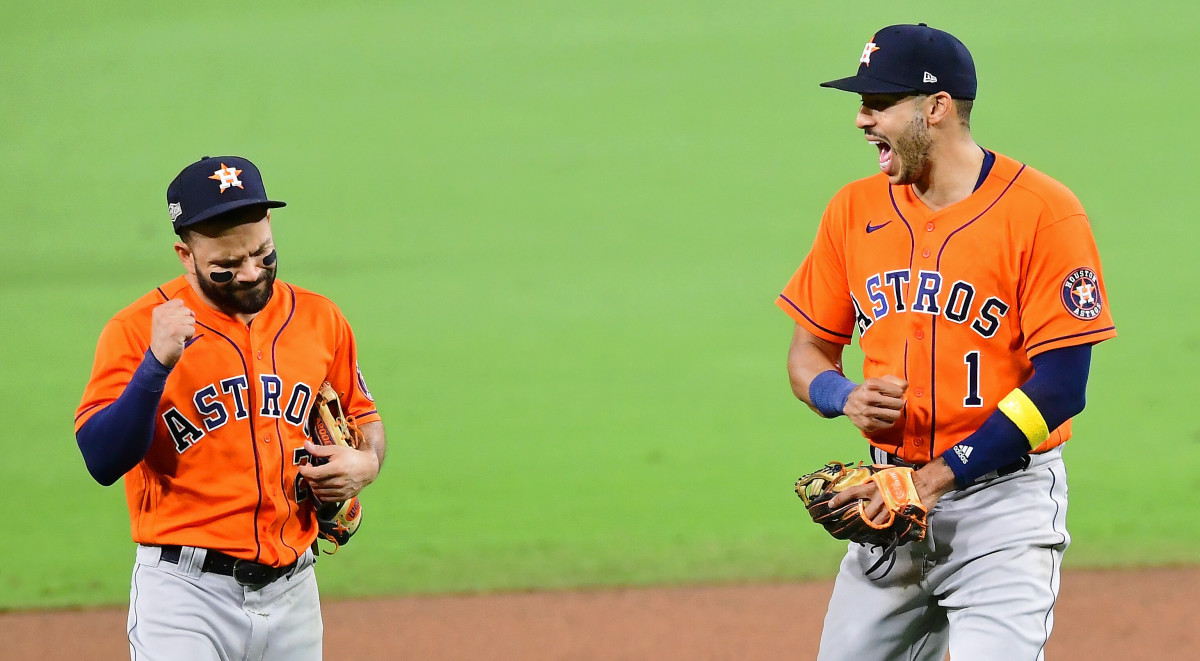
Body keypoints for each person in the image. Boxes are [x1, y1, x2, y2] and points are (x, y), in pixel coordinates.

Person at [776, 24, 1115, 660]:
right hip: (888, 508)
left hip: (1003, 512)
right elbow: (806, 357)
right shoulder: (852, 211)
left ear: (936, 108)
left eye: (878, 104)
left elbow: (1063, 385)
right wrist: (842, 395)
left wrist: (935, 478)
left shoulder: (1043, 212)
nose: (860, 119)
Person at [75, 155, 386, 660]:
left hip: (294, 592)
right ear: (185, 254)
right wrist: (155, 365)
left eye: (263, 254)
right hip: (184, 597)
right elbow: (102, 459)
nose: (249, 273)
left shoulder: (320, 319)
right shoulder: (136, 330)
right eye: (226, 266)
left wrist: (364, 463)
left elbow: (365, 420)